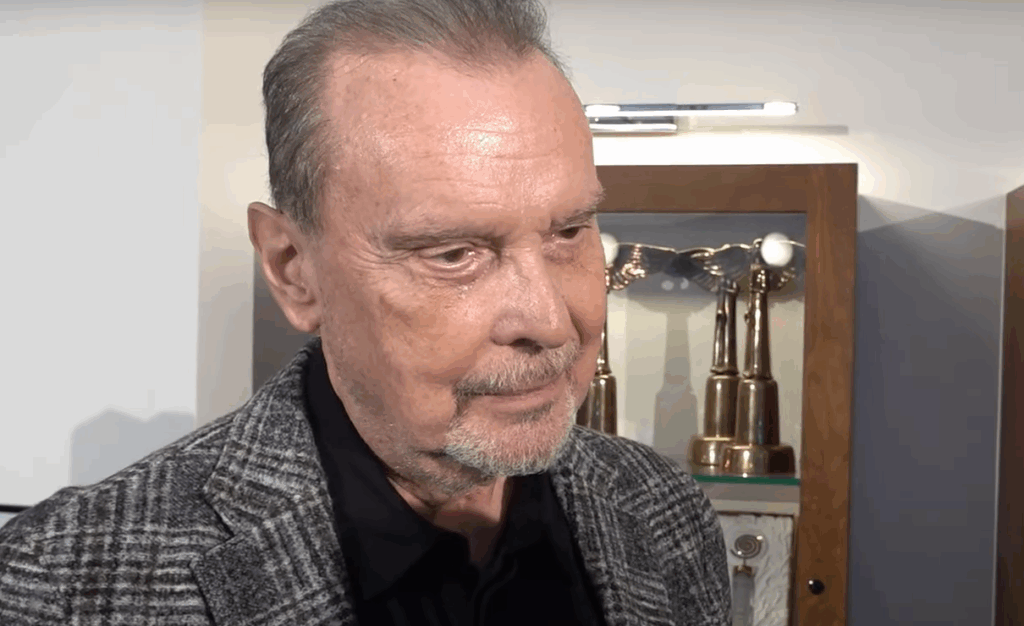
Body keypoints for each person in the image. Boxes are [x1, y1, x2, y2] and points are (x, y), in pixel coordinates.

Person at [0, 1, 730, 624]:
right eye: (454, 254)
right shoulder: (60, 587)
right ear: (294, 270)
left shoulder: (663, 509)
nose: (550, 321)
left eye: (568, 231)